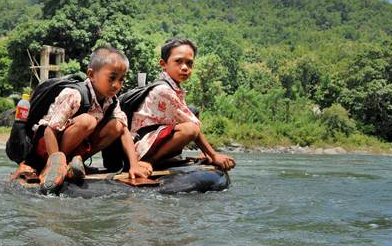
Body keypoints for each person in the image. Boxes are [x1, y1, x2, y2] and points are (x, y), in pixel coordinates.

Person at [13, 46, 152, 192]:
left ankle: (72, 163)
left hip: (71, 146)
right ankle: (60, 165)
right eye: (112, 78)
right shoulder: (74, 94)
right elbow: (49, 131)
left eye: (121, 80)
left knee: (117, 125)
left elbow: (123, 131)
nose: (117, 85)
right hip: (47, 146)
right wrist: (54, 161)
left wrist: (134, 165)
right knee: (88, 120)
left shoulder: (111, 101)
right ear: (91, 75)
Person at [130, 38, 236, 171]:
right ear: (163, 64)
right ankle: (148, 161)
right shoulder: (164, 90)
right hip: (140, 145)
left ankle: (164, 158)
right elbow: (194, 128)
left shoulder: (173, 87)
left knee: (193, 111)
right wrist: (213, 155)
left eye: (189, 63)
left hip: (153, 138)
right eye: (178, 61)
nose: (185, 67)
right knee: (190, 129)